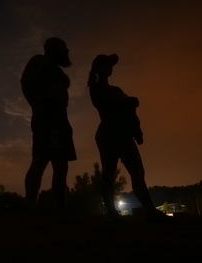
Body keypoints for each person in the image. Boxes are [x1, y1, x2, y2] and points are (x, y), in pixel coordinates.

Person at [88, 54, 165, 220]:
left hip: (122, 135)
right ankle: (112, 212)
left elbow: (130, 112)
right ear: (99, 68)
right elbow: (113, 106)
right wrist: (129, 103)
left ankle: (149, 210)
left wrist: (137, 131)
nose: (110, 68)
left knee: (137, 172)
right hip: (110, 135)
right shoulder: (97, 89)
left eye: (110, 65)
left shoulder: (115, 90)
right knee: (109, 173)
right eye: (107, 64)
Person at [21, 37, 77, 211]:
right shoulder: (39, 62)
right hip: (47, 120)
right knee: (40, 161)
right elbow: (26, 83)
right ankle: (30, 207)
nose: (67, 52)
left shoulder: (58, 72)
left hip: (61, 121)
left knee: (61, 166)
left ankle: (60, 209)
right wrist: (38, 105)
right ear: (54, 49)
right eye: (63, 48)